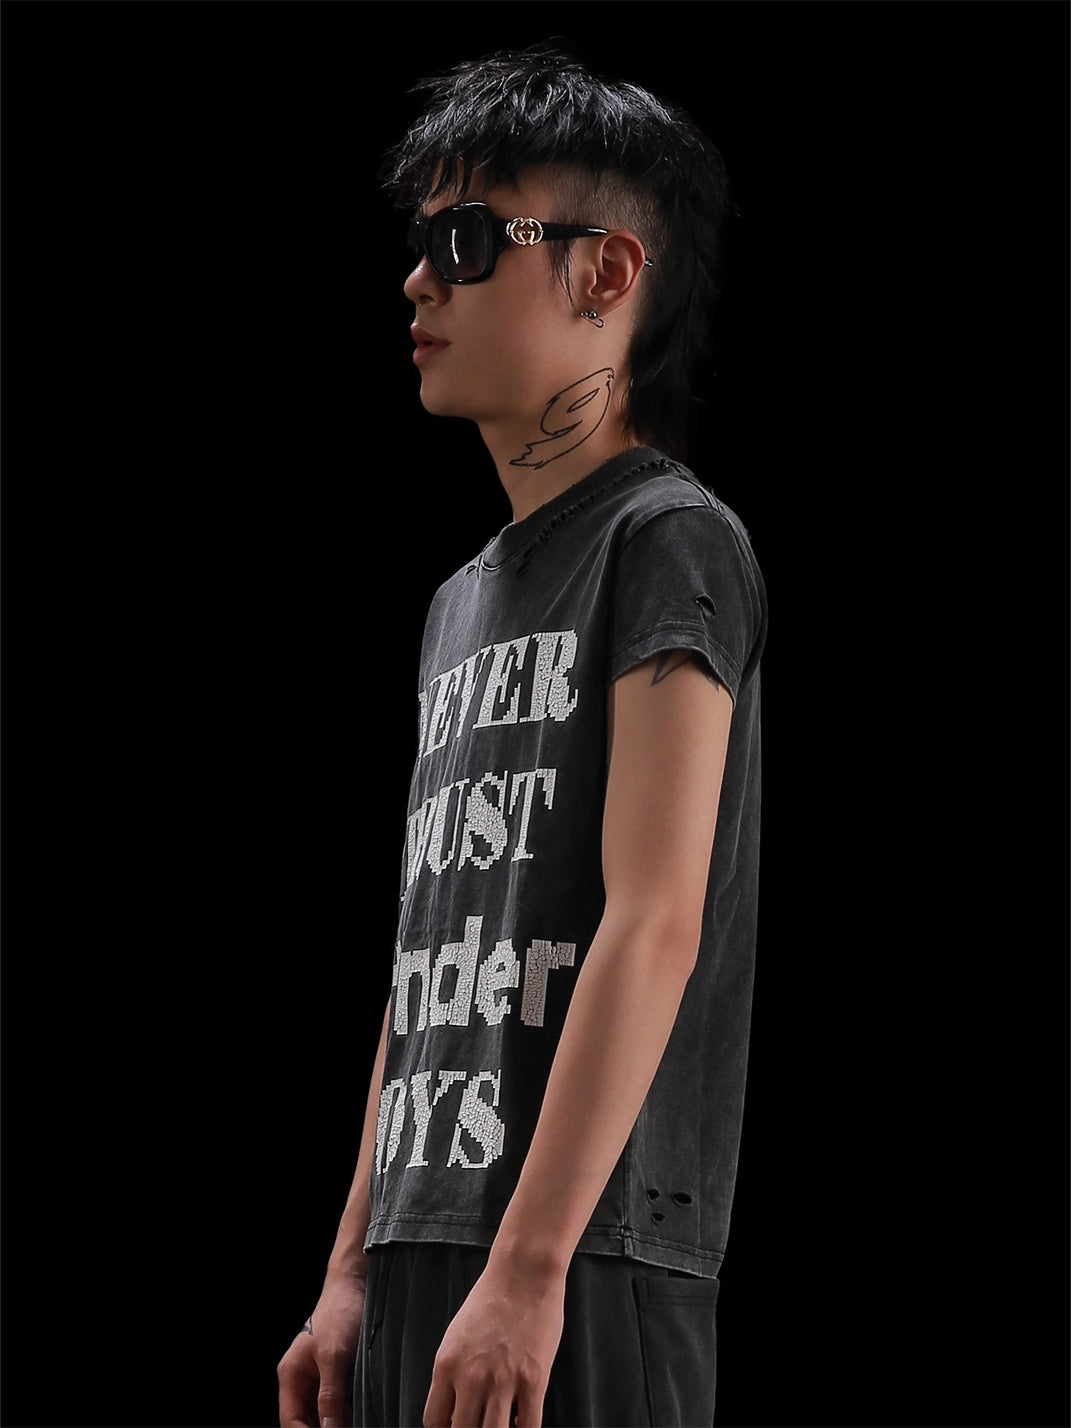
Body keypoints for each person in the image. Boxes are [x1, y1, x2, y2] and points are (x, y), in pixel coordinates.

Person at [278, 43, 767, 1428]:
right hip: (428, 1252)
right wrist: (349, 1272)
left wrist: (531, 1268)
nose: (418, 282)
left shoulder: (667, 542)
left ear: (605, 274)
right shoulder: (461, 601)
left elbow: (655, 919)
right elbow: (428, 956)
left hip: (581, 1264)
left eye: (467, 240)